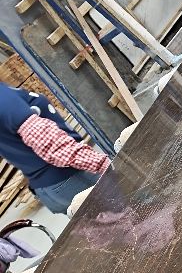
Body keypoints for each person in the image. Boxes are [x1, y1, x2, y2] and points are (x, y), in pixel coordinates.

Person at [0, 82, 110, 214]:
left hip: (47, 185)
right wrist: (102, 164)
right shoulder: (3, 98)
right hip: (68, 176)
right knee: (124, 210)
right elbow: (48, 141)